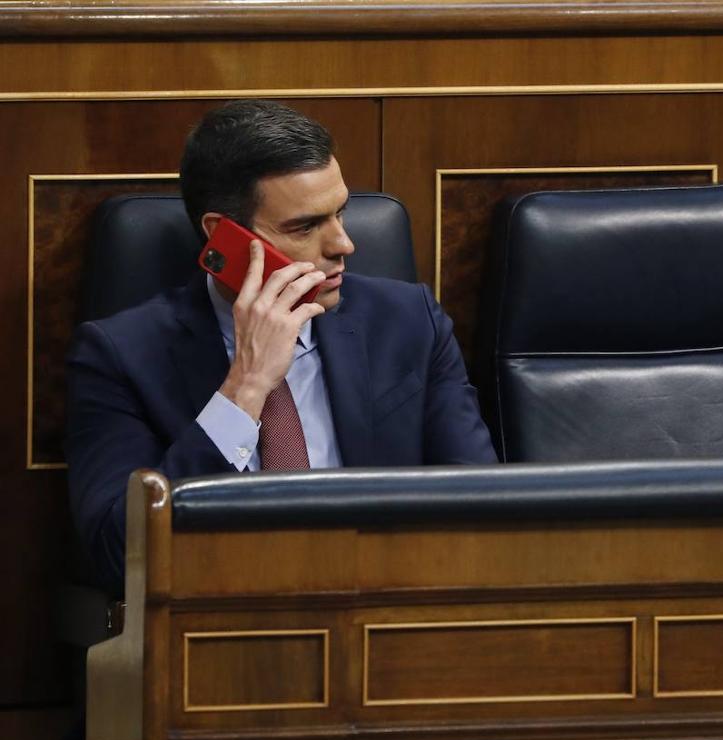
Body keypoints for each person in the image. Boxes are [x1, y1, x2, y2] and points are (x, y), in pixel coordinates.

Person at [65, 100, 497, 599]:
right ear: (222, 236)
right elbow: (119, 555)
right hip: (220, 624)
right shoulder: (120, 356)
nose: (343, 245)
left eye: (341, 213)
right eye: (305, 227)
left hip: (389, 610)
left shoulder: (408, 323)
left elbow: (483, 511)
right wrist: (245, 388)